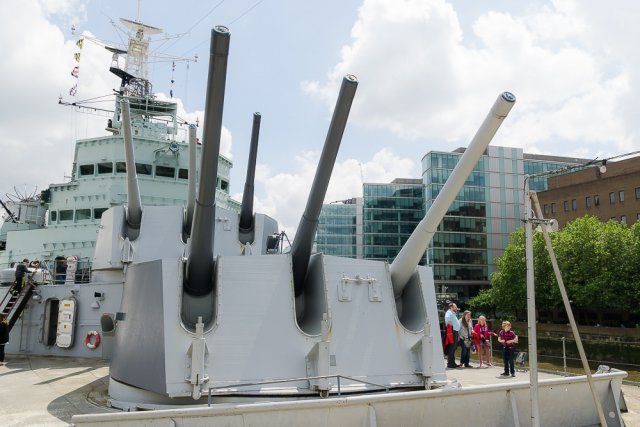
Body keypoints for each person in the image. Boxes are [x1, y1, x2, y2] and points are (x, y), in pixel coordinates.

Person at [444, 303, 460, 368]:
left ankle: (452, 363)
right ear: (451, 307)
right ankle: (450, 364)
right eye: (455, 307)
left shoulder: (452, 313)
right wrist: (448, 321)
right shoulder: (449, 312)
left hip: (455, 331)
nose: (456, 308)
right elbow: (447, 317)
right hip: (452, 332)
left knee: (453, 348)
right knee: (451, 348)